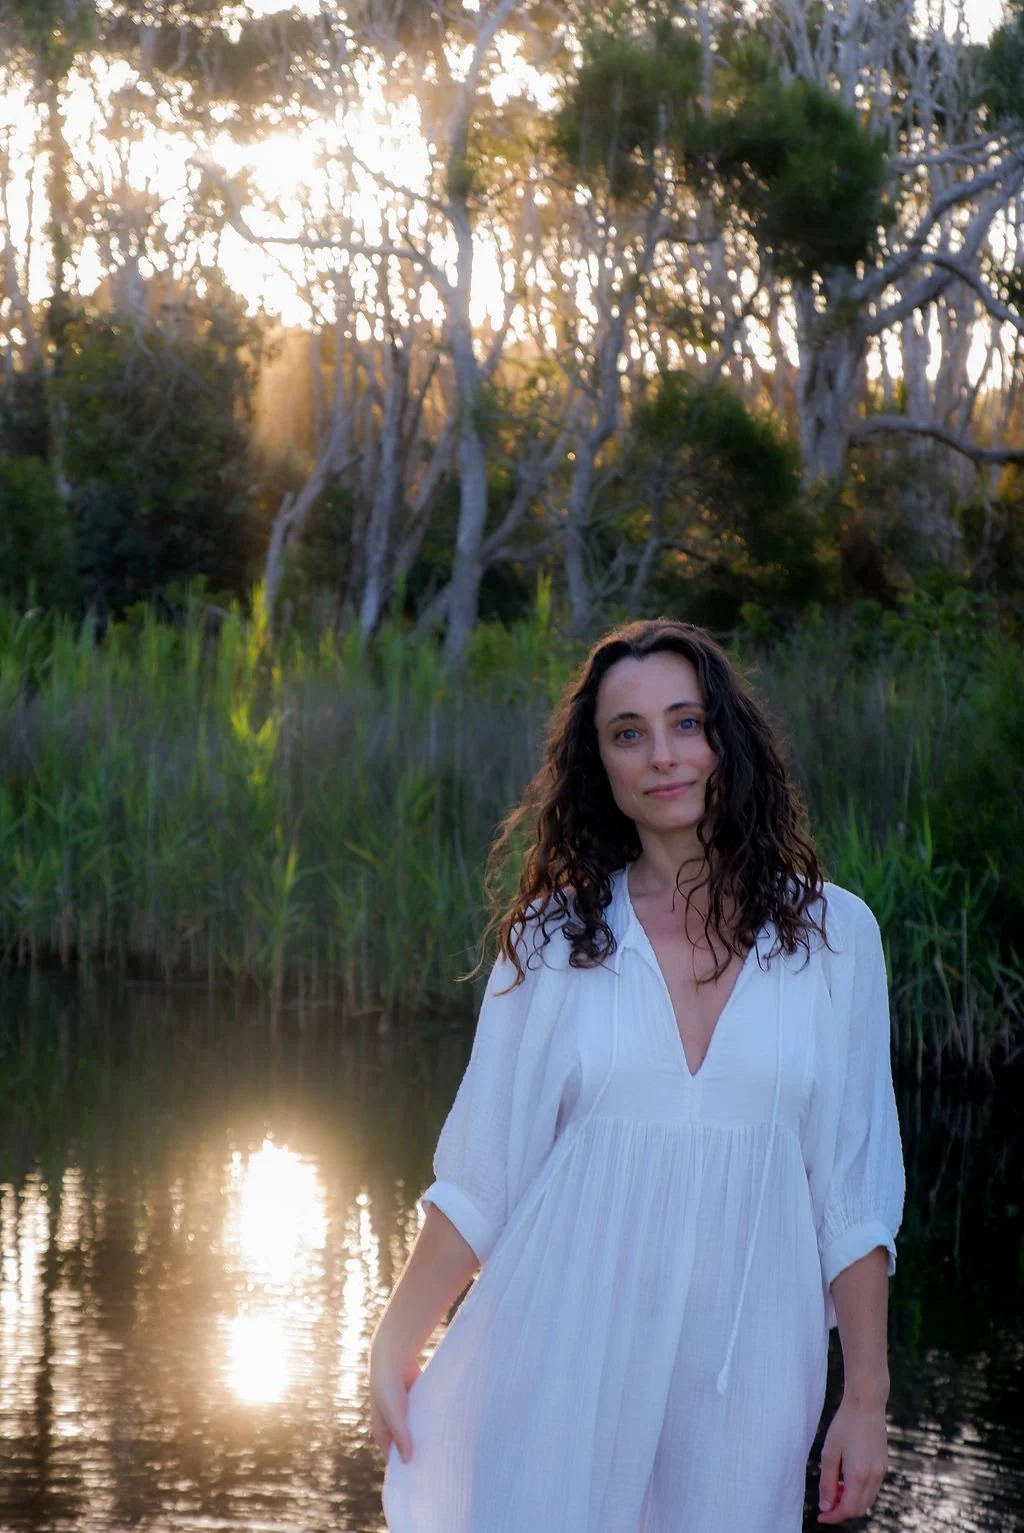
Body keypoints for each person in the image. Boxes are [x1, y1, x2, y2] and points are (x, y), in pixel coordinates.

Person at [368, 617, 905, 1533]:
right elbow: (482, 1174)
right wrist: (395, 1335)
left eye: (686, 723)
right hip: (563, 1353)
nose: (663, 755)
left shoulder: (835, 938)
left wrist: (865, 1398)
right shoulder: (552, 939)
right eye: (629, 733)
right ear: (601, 765)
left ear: (725, 738)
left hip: (749, 1369)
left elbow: (853, 1197)